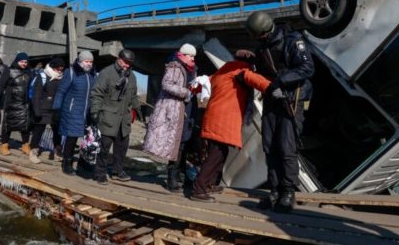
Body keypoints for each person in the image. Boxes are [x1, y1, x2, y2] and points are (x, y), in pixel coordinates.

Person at [246, 10, 315, 213]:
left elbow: (307, 68)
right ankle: (274, 190)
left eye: (257, 35)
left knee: (286, 147)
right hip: (272, 99)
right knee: (270, 146)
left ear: (265, 31)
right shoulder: (262, 48)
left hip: (292, 99)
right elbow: (262, 73)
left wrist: (281, 82)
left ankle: (287, 192)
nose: (256, 40)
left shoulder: (293, 41)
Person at [190, 50, 270, 202]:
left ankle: (209, 184)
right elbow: (257, 81)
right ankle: (198, 189)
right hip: (223, 120)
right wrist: (273, 88)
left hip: (214, 117)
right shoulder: (240, 71)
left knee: (221, 153)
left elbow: (200, 86)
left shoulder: (221, 72)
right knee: (215, 155)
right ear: (249, 62)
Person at [143, 43, 198, 192]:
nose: (192, 58)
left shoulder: (191, 69)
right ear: (183, 55)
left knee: (183, 145)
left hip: (186, 110)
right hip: (174, 110)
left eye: (193, 56)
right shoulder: (175, 66)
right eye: (190, 56)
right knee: (176, 145)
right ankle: (172, 179)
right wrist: (186, 92)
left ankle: (179, 176)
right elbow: (166, 84)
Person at [90, 49, 141, 185]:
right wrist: (95, 111)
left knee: (122, 147)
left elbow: (134, 96)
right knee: (104, 148)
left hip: (124, 120)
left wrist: (138, 108)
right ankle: (99, 173)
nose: (127, 65)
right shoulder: (106, 73)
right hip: (108, 117)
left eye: (129, 63)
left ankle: (117, 171)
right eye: (125, 62)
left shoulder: (132, 77)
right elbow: (97, 94)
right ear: (119, 59)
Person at [53, 51, 96, 174]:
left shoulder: (92, 75)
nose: (89, 64)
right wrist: (56, 108)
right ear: (80, 61)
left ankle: (83, 164)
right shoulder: (71, 72)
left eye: (91, 62)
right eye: (86, 61)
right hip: (71, 111)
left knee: (87, 140)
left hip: (86, 112)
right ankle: (67, 163)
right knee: (71, 138)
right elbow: (61, 91)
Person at [0, 52, 32, 155]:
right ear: (17, 61)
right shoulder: (9, 71)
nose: (24, 64)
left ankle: (25, 145)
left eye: (26, 62)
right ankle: (4, 145)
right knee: (7, 125)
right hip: (11, 103)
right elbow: (1, 85)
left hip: (24, 103)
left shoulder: (29, 72)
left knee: (25, 125)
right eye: (22, 61)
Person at [28, 57, 66, 164]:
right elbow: (36, 95)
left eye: (61, 69)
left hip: (56, 109)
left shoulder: (62, 78)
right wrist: (36, 110)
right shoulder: (43, 76)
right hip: (43, 108)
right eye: (58, 69)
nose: (60, 71)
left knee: (57, 131)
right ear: (53, 67)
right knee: (38, 131)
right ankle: (33, 151)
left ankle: (57, 152)